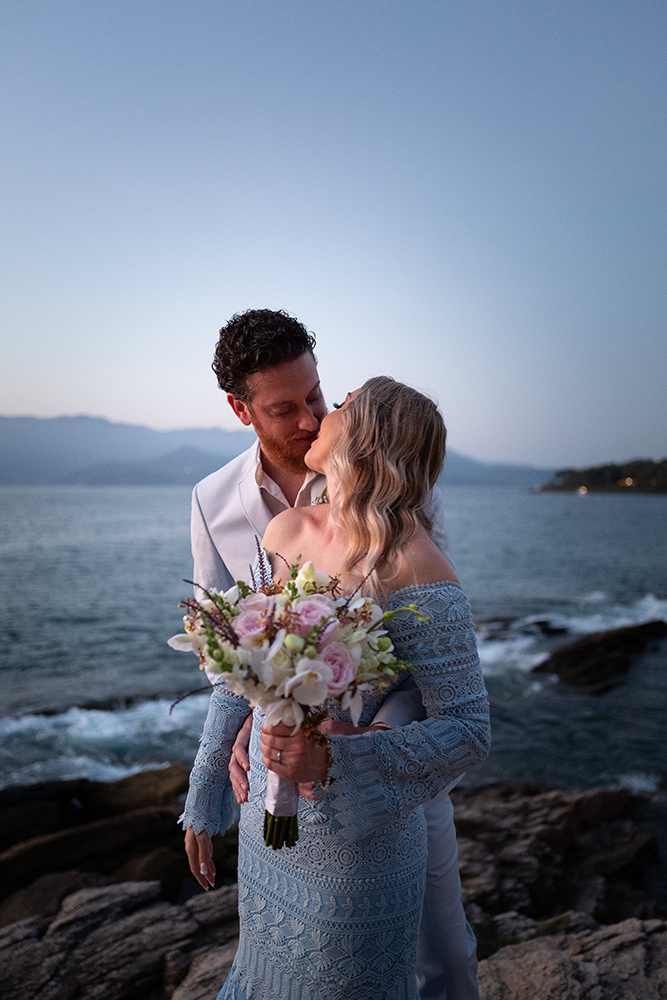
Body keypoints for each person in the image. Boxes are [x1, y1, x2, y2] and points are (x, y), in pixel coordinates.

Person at [180, 370, 491, 998]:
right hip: (268, 831)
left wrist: (337, 755)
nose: (327, 410)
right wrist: (207, 780)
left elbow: (468, 730)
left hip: (361, 846)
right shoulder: (287, 531)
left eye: (342, 403)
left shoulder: (415, 561)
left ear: (367, 437)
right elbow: (247, 664)